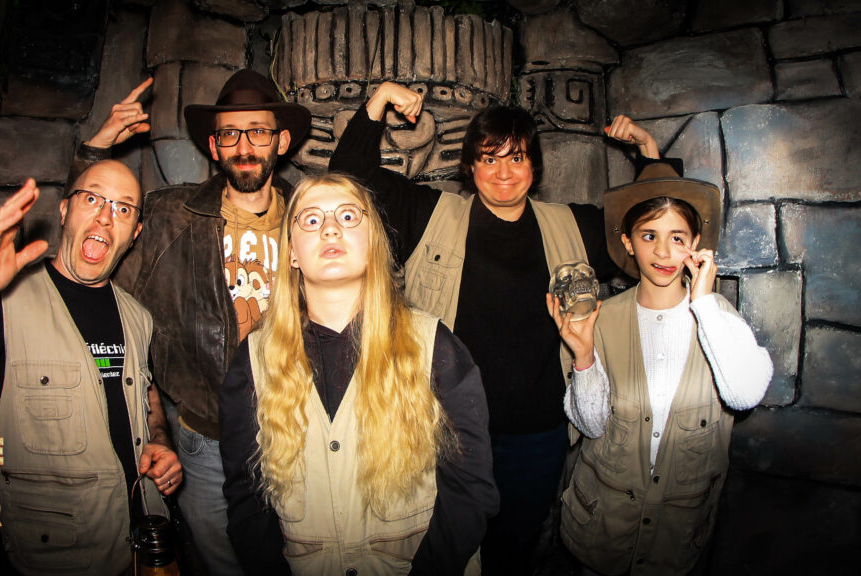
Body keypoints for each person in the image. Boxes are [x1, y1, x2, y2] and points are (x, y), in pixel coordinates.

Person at [328, 82, 665, 571]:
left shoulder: (573, 226)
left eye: (517, 158)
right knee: (440, 554)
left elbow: (655, 227)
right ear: (470, 167)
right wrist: (378, 101)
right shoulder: (429, 215)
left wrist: (649, 152)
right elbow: (348, 182)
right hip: (443, 432)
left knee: (512, 556)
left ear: (535, 167)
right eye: (489, 159)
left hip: (537, 437)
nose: (503, 173)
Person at [73, 69, 311, 575]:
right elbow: (87, 242)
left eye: (258, 131)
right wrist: (94, 152)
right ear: (213, 144)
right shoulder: (168, 216)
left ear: (282, 140)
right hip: (206, 443)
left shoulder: (312, 217)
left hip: (302, 435)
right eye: (230, 133)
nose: (244, 146)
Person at [0, 160, 182, 576]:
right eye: (92, 199)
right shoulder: (7, 305)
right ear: (64, 211)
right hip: (57, 560)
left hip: (142, 549)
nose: (106, 216)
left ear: (135, 233)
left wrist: (159, 441)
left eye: (123, 208)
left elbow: (147, 393)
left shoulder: (138, 317)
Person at [219, 173, 500, 575]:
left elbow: (470, 489)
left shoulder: (435, 347)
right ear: (292, 253)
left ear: (373, 242)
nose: (330, 228)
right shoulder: (253, 362)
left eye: (349, 216)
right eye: (311, 219)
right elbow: (247, 500)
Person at [548, 163, 772, 575]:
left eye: (677, 237)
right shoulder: (602, 318)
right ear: (629, 243)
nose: (664, 253)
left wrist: (704, 303)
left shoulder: (719, 318)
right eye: (649, 236)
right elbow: (592, 426)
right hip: (602, 531)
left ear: (696, 244)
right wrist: (583, 355)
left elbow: (744, 395)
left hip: (675, 541)